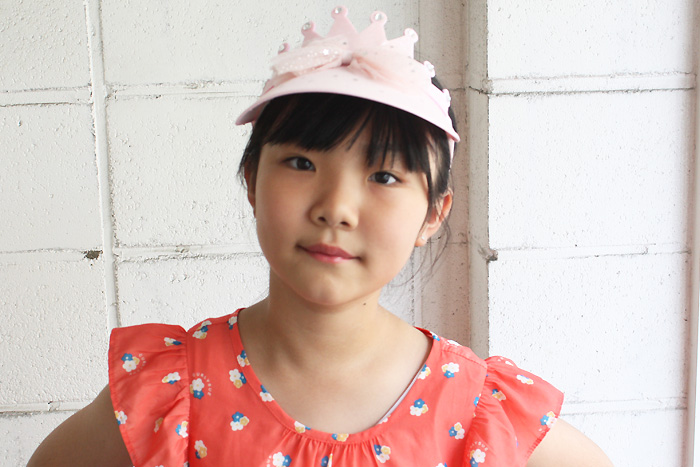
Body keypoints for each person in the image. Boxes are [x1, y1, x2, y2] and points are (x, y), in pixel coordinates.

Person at [28, 6, 613, 467]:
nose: (336, 208)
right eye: (302, 163)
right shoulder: (176, 393)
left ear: (433, 214)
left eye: (384, 176)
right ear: (252, 181)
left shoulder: (478, 409)